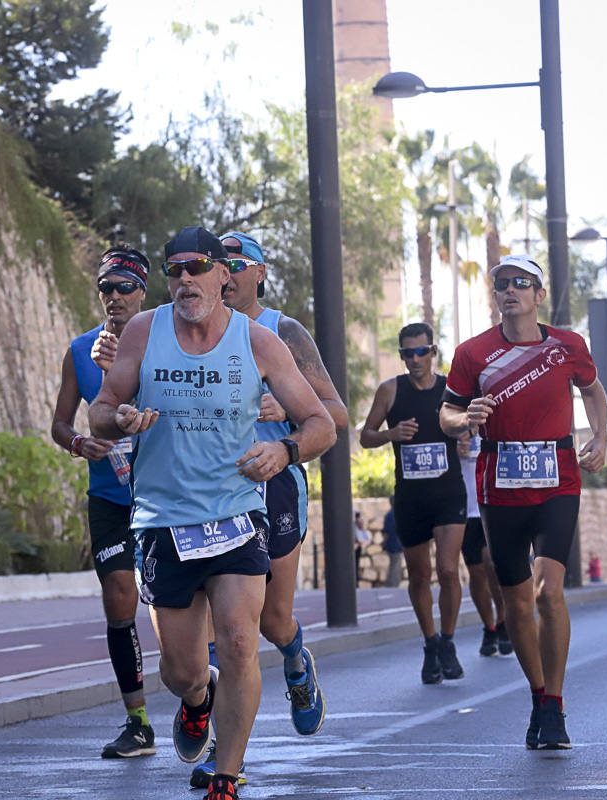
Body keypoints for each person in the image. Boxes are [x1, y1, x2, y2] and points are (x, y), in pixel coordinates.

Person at [89, 226, 336, 800]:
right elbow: (99, 410)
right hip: (164, 520)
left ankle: (226, 776)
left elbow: (322, 421)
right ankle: (199, 699)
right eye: (175, 271)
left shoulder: (258, 341)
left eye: (196, 268)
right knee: (180, 671)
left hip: (234, 511)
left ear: (223, 274)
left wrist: (285, 450)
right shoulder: (145, 332)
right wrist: (118, 419)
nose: (184, 281)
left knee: (241, 642)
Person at [175, 231, 348, 789]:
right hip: (207, 488)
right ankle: (228, 755)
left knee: (268, 622)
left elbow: (337, 415)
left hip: (274, 485)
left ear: (257, 273)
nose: (225, 270)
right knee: (226, 628)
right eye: (217, 261)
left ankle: (296, 660)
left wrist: (291, 414)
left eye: (236, 261)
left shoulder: (281, 331)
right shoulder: (193, 329)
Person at [440, 254, 607, 751]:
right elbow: (447, 414)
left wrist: (601, 437)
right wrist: (465, 417)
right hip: (499, 483)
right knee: (514, 598)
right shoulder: (473, 354)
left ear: (538, 295)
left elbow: (593, 390)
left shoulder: (567, 345)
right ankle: (538, 695)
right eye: (501, 284)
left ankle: (554, 705)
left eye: (521, 283)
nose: (510, 290)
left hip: (558, 479)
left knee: (548, 591)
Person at [50, 246, 156, 760]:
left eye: (124, 288)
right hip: (109, 496)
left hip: (167, 493)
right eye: (105, 289)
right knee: (119, 597)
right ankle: (136, 721)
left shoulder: (168, 342)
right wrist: (78, 443)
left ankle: (198, 699)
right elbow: (59, 422)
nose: (113, 297)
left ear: (142, 293)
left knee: (180, 604)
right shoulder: (79, 350)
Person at [360, 321, 467, 685]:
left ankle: (449, 640)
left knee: (449, 570)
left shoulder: (452, 389)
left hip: (449, 493)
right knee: (420, 575)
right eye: (408, 353)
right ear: (402, 355)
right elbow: (365, 436)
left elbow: (470, 424)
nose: (415, 359)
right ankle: (430, 643)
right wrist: (391, 434)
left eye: (422, 351)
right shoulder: (390, 391)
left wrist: (467, 435)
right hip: (411, 498)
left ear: (433, 352)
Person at [458, 434, 512, 656]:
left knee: (492, 565)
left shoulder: (493, 424)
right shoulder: (451, 424)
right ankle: (489, 627)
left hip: (492, 504)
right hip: (464, 509)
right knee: (476, 572)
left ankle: (502, 619)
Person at [381, 497, 403, 587]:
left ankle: (392, 584)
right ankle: (392, 584)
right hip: (397, 543)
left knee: (394, 565)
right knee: (395, 566)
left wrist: (383, 543)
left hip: (392, 543)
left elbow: (386, 532)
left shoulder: (389, 515)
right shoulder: (399, 514)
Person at [353, 509, 371, 582]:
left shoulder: (357, 524)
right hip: (352, 546)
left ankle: (355, 582)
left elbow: (364, 536)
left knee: (355, 565)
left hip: (357, 545)